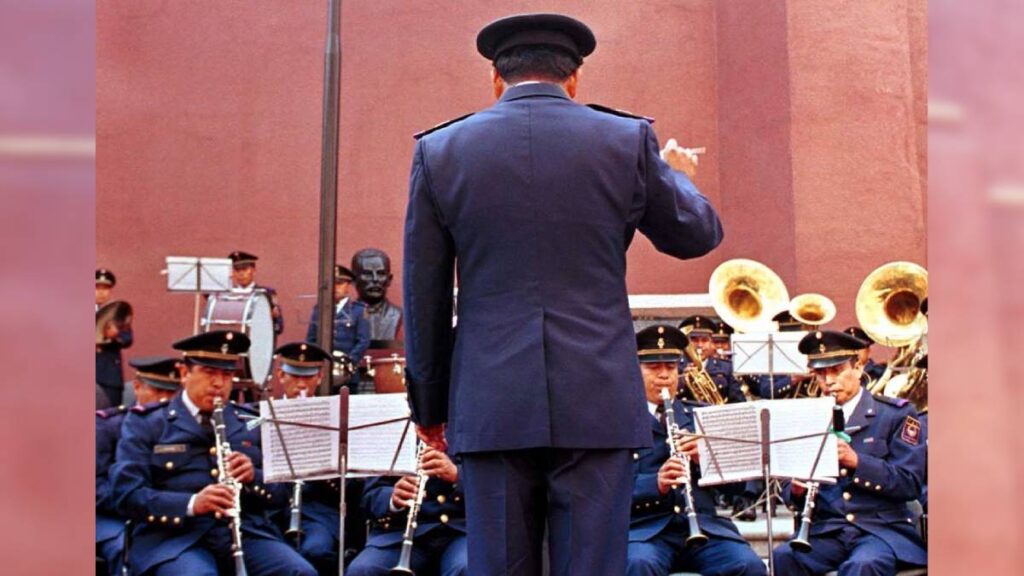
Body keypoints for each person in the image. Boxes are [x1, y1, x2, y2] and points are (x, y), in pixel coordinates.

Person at [402, 13, 724, 575]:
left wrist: (430, 407)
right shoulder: (626, 140)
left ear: (496, 80)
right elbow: (696, 236)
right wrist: (675, 174)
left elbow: (424, 292)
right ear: (574, 79)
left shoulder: (440, 150)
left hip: (491, 397)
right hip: (596, 394)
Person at [110, 330, 316, 575]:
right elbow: (126, 494)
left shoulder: (248, 421)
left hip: (242, 533)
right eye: (209, 373)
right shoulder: (147, 422)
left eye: (227, 375)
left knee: (300, 572)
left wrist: (253, 477)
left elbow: (282, 494)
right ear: (184, 373)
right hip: (174, 538)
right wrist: (192, 503)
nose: (219, 384)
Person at [772, 330, 927, 575]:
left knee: (863, 566)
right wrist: (797, 489)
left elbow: (910, 483)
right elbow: (786, 489)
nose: (829, 380)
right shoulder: (805, 418)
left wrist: (857, 462)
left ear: (858, 367)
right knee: (784, 557)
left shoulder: (895, 414)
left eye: (836, 370)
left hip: (879, 529)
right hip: (827, 530)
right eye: (820, 373)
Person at [627, 325, 766, 576]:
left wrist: (708, 459)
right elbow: (607, 491)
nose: (664, 376)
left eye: (670, 367)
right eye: (653, 368)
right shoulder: (619, 422)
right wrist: (655, 484)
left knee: (749, 566)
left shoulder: (700, 416)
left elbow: (738, 490)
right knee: (638, 565)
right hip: (646, 530)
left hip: (705, 527)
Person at [270, 342, 352, 574]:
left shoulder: (336, 421)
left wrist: (326, 462)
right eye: (294, 376)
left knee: (315, 550)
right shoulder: (261, 416)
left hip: (316, 511)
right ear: (280, 375)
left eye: (308, 377)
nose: (301, 384)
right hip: (270, 507)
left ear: (320, 377)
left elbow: (350, 485)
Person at [97, 356, 182, 575]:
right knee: (123, 548)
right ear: (137, 387)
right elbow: (95, 488)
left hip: (163, 513)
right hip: (111, 515)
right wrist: (135, 500)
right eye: (156, 390)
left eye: (171, 393)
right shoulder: (107, 427)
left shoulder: (181, 431)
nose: (163, 399)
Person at [347, 448, 468, 576]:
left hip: (462, 529)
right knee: (363, 570)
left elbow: (490, 481)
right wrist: (393, 498)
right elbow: (371, 496)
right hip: (400, 532)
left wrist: (458, 476)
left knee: (467, 567)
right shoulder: (394, 430)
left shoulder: (475, 429)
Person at [306, 264, 371, 390]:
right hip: (322, 372)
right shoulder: (319, 310)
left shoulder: (358, 310)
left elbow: (363, 341)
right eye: (332, 283)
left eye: (340, 283)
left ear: (348, 285)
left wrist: (349, 361)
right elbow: (311, 339)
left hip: (347, 374)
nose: (335, 287)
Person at [678, 315, 745, 404]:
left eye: (704, 340)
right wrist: (682, 380)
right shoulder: (676, 367)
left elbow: (738, 401)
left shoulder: (726, 367)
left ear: (711, 343)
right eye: (694, 340)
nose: (700, 345)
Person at [96, 268, 134, 407]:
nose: (101, 292)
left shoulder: (116, 313)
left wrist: (115, 335)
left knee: (110, 416)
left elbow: (128, 339)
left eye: (105, 288)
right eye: (97, 287)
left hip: (109, 376)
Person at [351, 248, 403, 341]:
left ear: (389, 280)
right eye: (367, 274)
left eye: (380, 274)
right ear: (354, 280)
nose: (375, 279)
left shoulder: (398, 314)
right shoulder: (344, 316)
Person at [229, 251, 284, 335]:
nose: (241, 273)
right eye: (237, 270)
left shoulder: (267, 294)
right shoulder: (227, 295)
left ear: (254, 271)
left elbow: (279, 328)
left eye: (244, 269)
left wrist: (271, 319)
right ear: (233, 273)